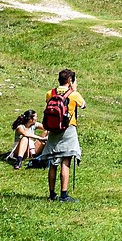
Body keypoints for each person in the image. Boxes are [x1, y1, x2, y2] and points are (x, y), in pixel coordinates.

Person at [42, 68, 86, 202]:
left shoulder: (50, 93)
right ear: (69, 81)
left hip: (53, 129)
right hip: (68, 129)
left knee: (53, 162)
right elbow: (83, 105)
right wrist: (74, 88)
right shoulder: (74, 94)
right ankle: (64, 194)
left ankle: (51, 194)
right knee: (65, 161)